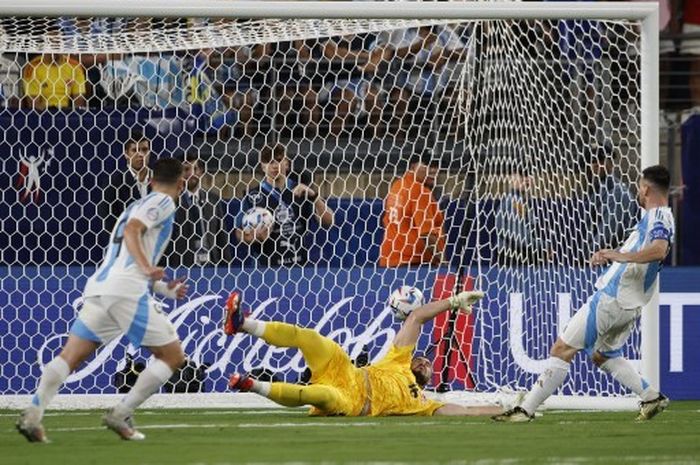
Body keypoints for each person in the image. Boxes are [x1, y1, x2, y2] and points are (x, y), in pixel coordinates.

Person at [17, 158, 189, 442]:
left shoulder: (134, 206)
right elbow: (134, 231)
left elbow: (126, 251)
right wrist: (147, 268)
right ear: (181, 183)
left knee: (69, 356)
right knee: (172, 356)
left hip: (101, 287)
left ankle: (33, 416)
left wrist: (162, 289)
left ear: (150, 178)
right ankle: (121, 413)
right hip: (126, 290)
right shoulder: (162, 202)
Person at [493, 165, 674, 423]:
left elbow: (659, 250)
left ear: (645, 189)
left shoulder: (659, 217)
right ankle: (651, 397)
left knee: (562, 348)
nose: (636, 190)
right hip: (627, 303)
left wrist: (619, 256)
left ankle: (525, 411)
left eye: (638, 186)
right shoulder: (656, 217)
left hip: (612, 299)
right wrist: (613, 254)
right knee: (603, 354)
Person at [223, 289, 502, 417]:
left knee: (320, 395)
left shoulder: (425, 405)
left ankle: (252, 385)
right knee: (309, 337)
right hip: (346, 370)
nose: (425, 362)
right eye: (422, 358)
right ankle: (242, 323)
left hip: (354, 402)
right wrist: (453, 301)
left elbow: (467, 410)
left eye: (428, 365)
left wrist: (511, 408)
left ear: (429, 379)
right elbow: (416, 317)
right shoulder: (399, 360)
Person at [235, 144, 334, 266]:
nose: (275, 165)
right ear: (262, 166)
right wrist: (253, 237)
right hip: (265, 268)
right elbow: (239, 232)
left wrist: (314, 196)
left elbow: (328, 222)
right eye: (269, 162)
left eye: (279, 160)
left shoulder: (301, 190)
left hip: (299, 267)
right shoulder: (253, 196)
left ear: (287, 163)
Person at [163, 152, 231, 267]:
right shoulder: (170, 202)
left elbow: (221, 237)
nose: (192, 173)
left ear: (201, 172)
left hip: (211, 267)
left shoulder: (213, 200)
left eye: (196, 169)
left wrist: (226, 268)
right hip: (182, 267)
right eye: (186, 169)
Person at [379, 152, 445, 267]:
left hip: (390, 261)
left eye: (436, 166)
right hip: (416, 263)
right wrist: (443, 262)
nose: (434, 170)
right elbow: (427, 233)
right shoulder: (420, 191)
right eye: (428, 165)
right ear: (413, 166)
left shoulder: (397, 186)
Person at [98, 130, 152, 238]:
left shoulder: (159, 180)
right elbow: (108, 221)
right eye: (135, 150)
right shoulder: (114, 182)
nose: (140, 154)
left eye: (144, 150)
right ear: (126, 154)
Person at [588, 146, 639, 250]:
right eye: (592, 160)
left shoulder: (616, 192)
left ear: (611, 163)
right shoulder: (597, 189)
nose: (596, 164)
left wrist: (586, 253)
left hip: (616, 256)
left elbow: (608, 232)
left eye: (601, 160)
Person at [495, 170, 549, 266]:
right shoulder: (515, 202)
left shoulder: (520, 201)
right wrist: (546, 246)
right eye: (522, 175)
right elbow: (520, 238)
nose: (527, 179)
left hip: (517, 259)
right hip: (514, 261)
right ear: (512, 177)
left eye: (529, 175)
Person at [22, 52, 87, 111]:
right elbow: (34, 104)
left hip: (66, 113)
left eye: (57, 43)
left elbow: (79, 103)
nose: (54, 47)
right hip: (43, 114)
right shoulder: (32, 67)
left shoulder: (75, 66)